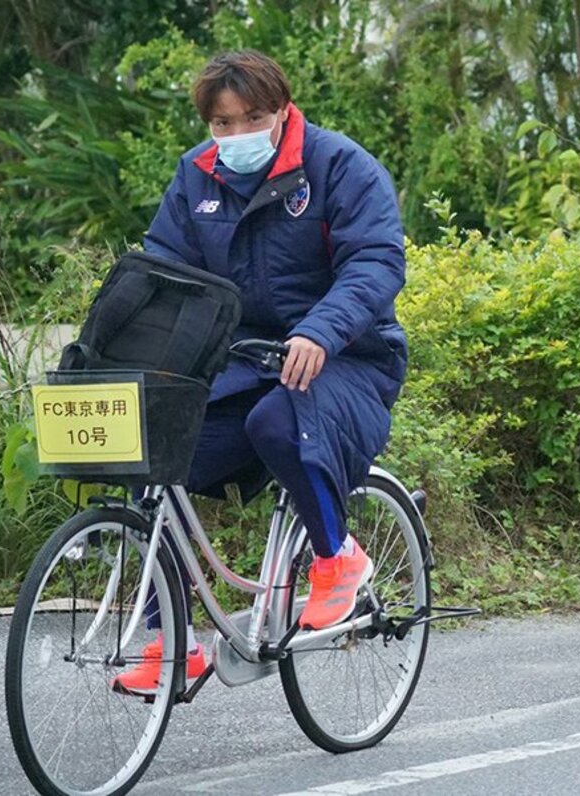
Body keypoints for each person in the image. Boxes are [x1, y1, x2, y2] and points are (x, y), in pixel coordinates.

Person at [114, 50, 407, 692]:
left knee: (280, 421)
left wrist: (320, 331)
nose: (236, 134)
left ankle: (337, 559)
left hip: (349, 357)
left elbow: (377, 262)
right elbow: (166, 273)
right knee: (155, 452)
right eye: (221, 124)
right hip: (244, 363)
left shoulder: (337, 166)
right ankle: (173, 640)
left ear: (282, 110)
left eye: (251, 118)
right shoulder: (196, 176)